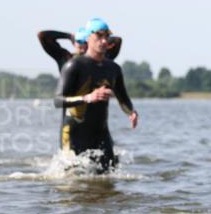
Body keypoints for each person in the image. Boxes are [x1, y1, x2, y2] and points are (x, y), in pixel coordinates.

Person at [54, 23, 138, 173]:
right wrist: (87, 97)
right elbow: (58, 100)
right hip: (74, 133)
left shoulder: (113, 69)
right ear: (88, 38)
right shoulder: (73, 65)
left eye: (106, 36)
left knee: (109, 178)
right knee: (72, 182)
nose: (104, 41)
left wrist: (131, 112)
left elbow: (123, 98)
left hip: (101, 133)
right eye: (99, 36)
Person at [39, 19, 122, 72]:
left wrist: (98, 39)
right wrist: (69, 36)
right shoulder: (66, 58)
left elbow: (117, 40)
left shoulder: (100, 60)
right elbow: (43, 35)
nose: (82, 46)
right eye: (79, 42)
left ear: (89, 42)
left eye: (85, 42)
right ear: (74, 43)